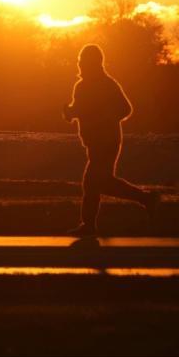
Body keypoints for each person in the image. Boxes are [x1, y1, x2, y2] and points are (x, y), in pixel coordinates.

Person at [62, 44, 159, 237]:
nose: (80, 65)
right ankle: (146, 199)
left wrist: (107, 116)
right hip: (93, 142)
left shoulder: (107, 84)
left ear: (94, 63)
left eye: (84, 61)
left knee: (91, 182)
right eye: (80, 61)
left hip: (107, 141)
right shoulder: (81, 86)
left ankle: (88, 226)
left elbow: (126, 108)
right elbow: (82, 109)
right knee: (102, 183)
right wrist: (70, 112)